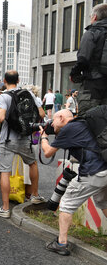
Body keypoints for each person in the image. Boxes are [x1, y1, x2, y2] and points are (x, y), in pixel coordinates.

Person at [39, 109, 107, 255]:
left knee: (66, 204)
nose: (52, 125)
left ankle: (61, 243)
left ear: (62, 118)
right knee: (104, 202)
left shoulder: (69, 128)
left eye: (54, 120)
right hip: (104, 168)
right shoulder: (83, 124)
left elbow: (48, 152)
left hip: (93, 171)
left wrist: (44, 137)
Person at [0, 71, 46, 219]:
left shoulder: (3, 96)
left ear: (4, 81)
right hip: (25, 138)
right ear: (18, 80)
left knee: (4, 172)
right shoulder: (28, 93)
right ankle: (35, 195)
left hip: (8, 139)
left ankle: (5, 208)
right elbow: (41, 114)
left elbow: (0, 118)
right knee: (33, 164)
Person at [69, 3, 107, 116]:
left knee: (87, 123)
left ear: (94, 17)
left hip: (92, 88)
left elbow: (83, 59)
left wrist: (74, 74)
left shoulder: (91, 33)